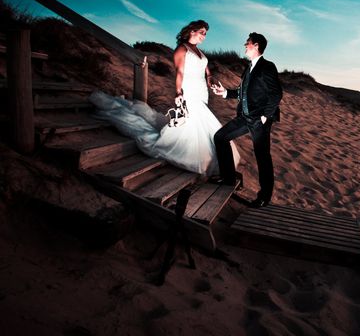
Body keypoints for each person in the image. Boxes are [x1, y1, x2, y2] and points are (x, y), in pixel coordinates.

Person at [90, 20, 239, 176]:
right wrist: (178, 93)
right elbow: (179, 73)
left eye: (206, 33)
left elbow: (207, 70)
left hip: (202, 91)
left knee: (200, 123)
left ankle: (208, 157)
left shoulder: (199, 52)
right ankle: (193, 156)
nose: (204, 36)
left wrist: (210, 79)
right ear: (192, 31)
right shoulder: (182, 49)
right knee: (194, 122)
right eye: (202, 32)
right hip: (189, 89)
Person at [212, 32, 282, 208]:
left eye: (247, 43)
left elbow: (276, 93)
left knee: (262, 156)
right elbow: (243, 92)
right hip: (244, 117)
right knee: (220, 137)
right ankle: (228, 179)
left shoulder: (267, 66)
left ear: (256, 46)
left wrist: (266, 116)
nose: (245, 45)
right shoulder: (248, 67)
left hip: (259, 120)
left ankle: (264, 197)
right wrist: (226, 93)